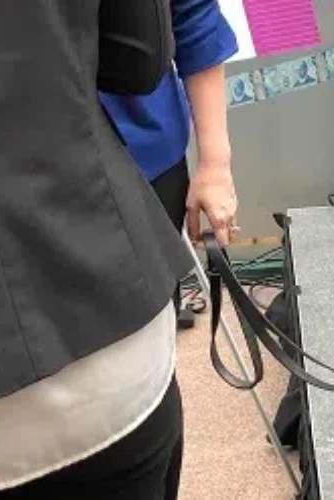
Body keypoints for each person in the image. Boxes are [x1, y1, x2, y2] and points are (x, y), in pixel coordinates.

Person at [0, 1, 218, 498]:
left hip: (124, 203)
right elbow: (137, 54)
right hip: (109, 351)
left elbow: (185, 23)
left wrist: (218, 162)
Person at [100, 0, 240, 322]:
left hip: (143, 159)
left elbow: (193, 16)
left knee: (150, 331)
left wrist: (215, 166)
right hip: (10, 173)